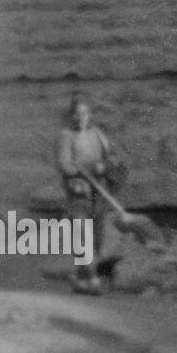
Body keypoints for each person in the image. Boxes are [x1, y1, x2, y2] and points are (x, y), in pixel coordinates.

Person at [56, 93, 121, 294]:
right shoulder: (66, 137)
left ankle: (81, 276)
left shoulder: (98, 135)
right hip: (79, 193)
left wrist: (106, 167)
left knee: (96, 239)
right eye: (77, 113)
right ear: (72, 116)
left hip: (99, 193)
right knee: (82, 234)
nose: (81, 117)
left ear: (90, 114)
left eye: (85, 113)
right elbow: (65, 165)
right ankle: (92, 280)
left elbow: (112, 158)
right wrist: (89, 167)